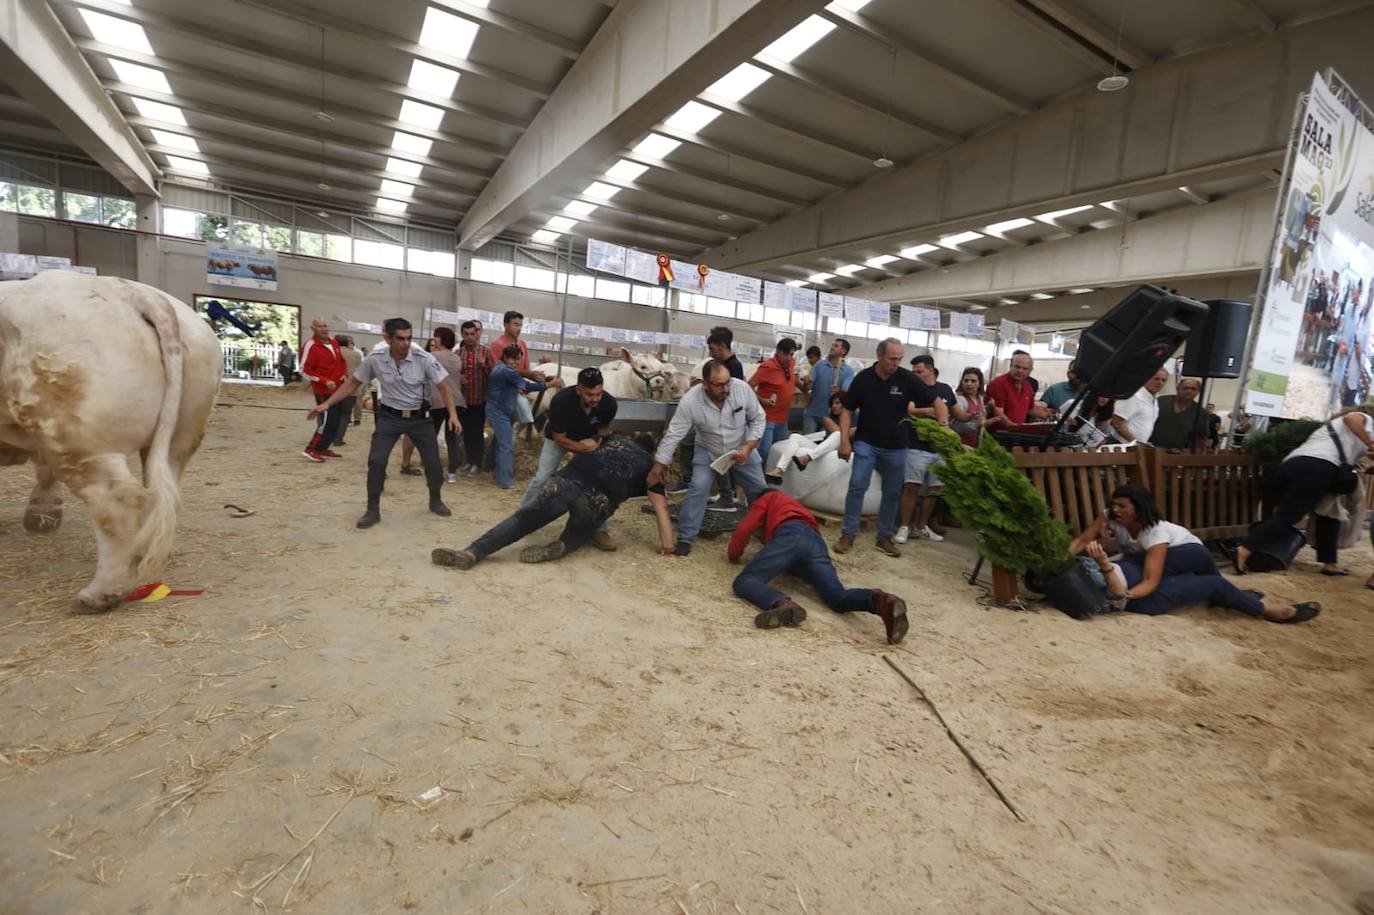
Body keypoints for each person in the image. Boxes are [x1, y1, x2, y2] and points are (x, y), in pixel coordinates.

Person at [1071, 485, 1320, 621]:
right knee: (1211, 584)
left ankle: (1254, 606)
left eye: (1122, 506)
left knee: (1145, 565)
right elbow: (1083, 539)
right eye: (1113, 505)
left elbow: (1150, 580)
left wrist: (1122, 595)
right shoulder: (1112, 519)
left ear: (1139, 509)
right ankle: (1252, 604)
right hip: (1143, 584)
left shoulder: (1155, 533)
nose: (1115, 510)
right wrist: (1060, 558)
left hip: (1187, 553)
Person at [432, 434, 675, 569]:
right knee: (580, 532)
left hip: (570, 480)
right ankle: (561, 546)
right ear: (652, 452)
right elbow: (661, 507)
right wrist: (667, 546)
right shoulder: (651, 468)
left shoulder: (614, 439)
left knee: (522, 520)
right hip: (599, 500)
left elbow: (588, 445)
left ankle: (473, 553)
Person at [306, 317, 460, 528]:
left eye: (409, 338)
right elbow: (353, 384)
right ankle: (372, 509)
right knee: (376, 461)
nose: (405, 343)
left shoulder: (423, 358)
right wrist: (327, 404)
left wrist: (452, 414)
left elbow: (444, 387)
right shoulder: (375, 359)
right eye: (400, 339)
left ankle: (435, 499)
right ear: (388, 338)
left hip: (419, 419)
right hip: (389, 417)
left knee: (433, 465)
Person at [727, 490, 909, 642]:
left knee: (746, 581)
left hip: (791, 534)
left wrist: (734, 554)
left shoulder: (768, 497)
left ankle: (782, 603)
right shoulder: (796, 506)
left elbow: (744, 528)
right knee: (837, 597)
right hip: (815, 542)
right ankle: (881, 601)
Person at [836, 338, 944, 557]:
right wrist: (844, 441)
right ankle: (848, 534)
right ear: (879, 356)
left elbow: (936, 401)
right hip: (866, 442)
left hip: (897, 446)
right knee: (857, 486)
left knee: (892, 493)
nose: (896, 363)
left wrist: (944, 425)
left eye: (899, 359)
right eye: (892, 359)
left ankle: (884, 537)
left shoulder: (907, 379)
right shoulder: (863, 379)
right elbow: (847, 410)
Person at [1236, 405, 1374, 576]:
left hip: (1300, 464)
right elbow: (1352, 419)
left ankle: (1330, 564)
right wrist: (1371, 443)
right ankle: (1245, 548)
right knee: (1290, 515)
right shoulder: (1365, 420)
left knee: (1329, 514)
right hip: (1319, 467)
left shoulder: (1338, 429)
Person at [648, 359, 767, 556]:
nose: (726, 388)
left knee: (759, 490)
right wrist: (658, 467)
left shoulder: (742, 389)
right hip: (708, 449)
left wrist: (749, 445)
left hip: (742, 447)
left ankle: (764, 530)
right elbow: (674, 433)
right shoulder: (691, 400)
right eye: (719, 385)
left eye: (728, 382)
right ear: (705, 384)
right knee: (698, 487)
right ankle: (686, 538)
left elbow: (758, 418)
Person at [520, 366, 619, 550]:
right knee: (542, 478)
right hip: (559, 439)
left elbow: (604, 430)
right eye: (590, 394)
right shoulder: (561, 401)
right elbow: (560, 438)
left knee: (599, 483)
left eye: (598, 393)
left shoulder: (609, 404)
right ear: (578, 389)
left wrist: (600, 445)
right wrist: (583, 449)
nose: (595, 399)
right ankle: (522, 518)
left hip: (588, 438)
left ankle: (599, 529)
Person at [897, 355, 956, 544]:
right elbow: (909, 409)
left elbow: (955, 412)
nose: (915, 375)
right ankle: (904, 526)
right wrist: (928, 411)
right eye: (913, 372)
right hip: (916, 446)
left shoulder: (944, 389)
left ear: (931, 371)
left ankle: (921, 526)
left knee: (934, 488)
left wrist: (971, 416)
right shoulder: (910, 389)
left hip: (940, 449)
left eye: (919, 371)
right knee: (911, 486)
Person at [487, 343, 560, 489]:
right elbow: (526, 386)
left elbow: (519, 384)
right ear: (505, 357)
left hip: (499, 409)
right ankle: (506, 481)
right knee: (506, 445)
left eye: (518, 359)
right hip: (499, 411)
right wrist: (551, 384)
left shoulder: (501, 367)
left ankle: (493, 471)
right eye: (512, 359)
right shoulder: (507, 371)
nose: (515, 362)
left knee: (500, 442)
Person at [299, 316, 349, 462]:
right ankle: (311, 449)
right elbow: (303, 370)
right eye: (320, 326)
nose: (324, 329)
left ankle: (323, 447)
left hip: (338, 390)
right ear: (313, 329)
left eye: (325, 325)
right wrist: (324, 380)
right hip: (323, 391)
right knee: (326, 420)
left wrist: (344, 374)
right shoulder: (310, 345)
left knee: (335, 420)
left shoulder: (334, 342)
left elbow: (341, 361)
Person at [425, 327, 467, 483]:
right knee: (452, 440)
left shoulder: (432, 356)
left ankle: (435, 469)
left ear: (441, 339)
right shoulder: (457, 358)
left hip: (437, 400)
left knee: (431, 437)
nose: (434, 339)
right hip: (456, 401)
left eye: (436, 337)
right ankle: (452, 473)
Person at [750, 338, 799, 466]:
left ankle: (771, 478)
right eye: (786, 354)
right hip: (768, 419)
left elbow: (791, 379)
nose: (789, 358)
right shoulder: (768, 367)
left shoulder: (791, 363)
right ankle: (759, 481)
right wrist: (762, 400)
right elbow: (748, 386)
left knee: (780, 451)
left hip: (782, 419)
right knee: (765, 452)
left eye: (792, 354)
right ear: (778, 352)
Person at [455, 320, 495, 475]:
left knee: (477, 432)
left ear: (477, 333)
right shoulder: (458, 354)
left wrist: (484, 365)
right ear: (462, 335)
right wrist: (459, 377)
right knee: (466, 432)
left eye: (472, 334)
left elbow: (494, 376)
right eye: (466, 334)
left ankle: (477, 463)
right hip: (464, 400)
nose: (470, 337)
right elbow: (452, 376)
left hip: (480, 400)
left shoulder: (486, 352)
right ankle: (469, 461)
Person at [985, 351, 1049, 429]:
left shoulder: (1027, 386)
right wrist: (1015, 428)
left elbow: (1031, 408)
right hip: (998, 434)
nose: (1020, 371)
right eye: (1017, 367)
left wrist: (1050, 416)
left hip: (1015, 434)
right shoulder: (999, 383)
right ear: (1011, 366)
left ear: (1030, 370)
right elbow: (998, 413)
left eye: (1024, 368)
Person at [803, 339, 854, 434]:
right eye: (832, 345)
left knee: (825, 446)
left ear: (843, 351)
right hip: (812, 413)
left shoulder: (848, 371)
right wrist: (806, 383)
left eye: (836, 346)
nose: (832, 347)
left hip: (831, 418)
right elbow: (808, 388)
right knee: (807, 443)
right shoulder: (819, 365)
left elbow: (845, 393)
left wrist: (838, 391)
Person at [1109, 368, 1167, 445]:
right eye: (1156, 379)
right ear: (1146, 379)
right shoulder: (1134, 396)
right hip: (1121, 445)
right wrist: (1134, 442)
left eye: (1163, 380)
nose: (1160, 382)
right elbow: (1116, 421)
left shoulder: (1154, 400)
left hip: (1136, 447)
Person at [1150, 377, 1210, 450]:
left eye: (1193, 389)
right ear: (1178, 388)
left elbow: (1201, 438)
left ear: (1198, 392)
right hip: (1150, 448)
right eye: (1185, 388)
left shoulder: (1200, 412)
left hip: (1177, 453)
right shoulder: (1160, 402)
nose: (1189, 391)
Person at [336, 336, 364, 440]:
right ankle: (339, 438)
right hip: (351, 386)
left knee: (335, 413)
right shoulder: (356, 354)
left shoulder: (333, 353)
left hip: (335, 387)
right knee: (346, 414)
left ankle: (331, 435)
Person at [950, 367, 986, 447]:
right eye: (966, 380)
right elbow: (956, 425)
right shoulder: (959, 399)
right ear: (961, 382)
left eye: (973, 381)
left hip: (974, 445)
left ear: (979, 384)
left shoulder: (980, 398)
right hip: (960, 446)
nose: (969, 384)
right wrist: (976, 425)